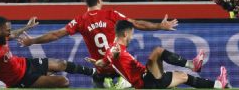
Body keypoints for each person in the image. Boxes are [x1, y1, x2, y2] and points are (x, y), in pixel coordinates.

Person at [18, 0, 178, 88]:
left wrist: (32, 40)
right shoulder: (112, 14)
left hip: (101, 72)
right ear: (100, 0)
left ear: (85, 3)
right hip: (122, 70)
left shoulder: (80, 20)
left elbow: (55, 34)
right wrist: (160, 26)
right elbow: (136, 24)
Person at [87, 20, 229, 89]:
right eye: (131, 34)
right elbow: (114, 56)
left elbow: (105, 62)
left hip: (150, 82)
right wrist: (114, 56)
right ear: (125, 33)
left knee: (184, 77)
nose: (132, 37)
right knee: (157, 51)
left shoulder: (112, 49)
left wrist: (98, 62)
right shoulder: (115, 48)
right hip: (144, 81)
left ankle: (218, 84)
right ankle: (193, 64)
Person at [0, 16, 95, 88]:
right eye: (7, 30)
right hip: (20, 79)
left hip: (25, 64)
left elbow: (13, 34)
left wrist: (28, 27)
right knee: (63, 81)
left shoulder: (0, 35)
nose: (9, 33)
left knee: (61, 64)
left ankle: (95, 73)